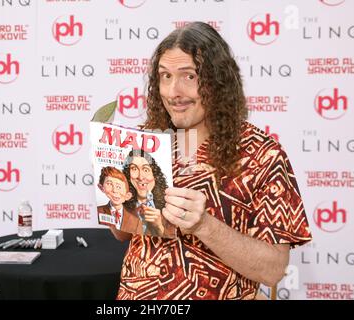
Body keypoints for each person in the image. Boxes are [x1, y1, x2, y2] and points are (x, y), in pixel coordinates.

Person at [114, 22, 312, 300]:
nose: (173, 92)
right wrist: (116, 195)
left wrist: (203, 225)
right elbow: (123, 234)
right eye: (166, 76)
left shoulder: (262, 154)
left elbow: (273, 270)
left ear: (217, 82)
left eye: (189, 76)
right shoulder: (145, 141)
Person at [122, 149, 176, 238]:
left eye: (146, 169)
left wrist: (159, 227)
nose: (140, 177)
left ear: (154, 174)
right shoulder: (124, 205)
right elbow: (122, 237)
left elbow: (176, 242)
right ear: (128, 175)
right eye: (134, 169)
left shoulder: (170, 202)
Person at [97, 166, 140, 239]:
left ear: (128, 195)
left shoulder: (135, 217)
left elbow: (124, 237)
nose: (115, 190)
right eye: (109, 184)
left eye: (118, 187)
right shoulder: (98, 212)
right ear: (101, 187)